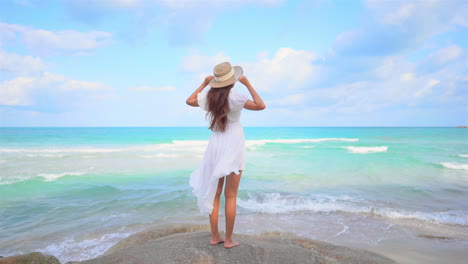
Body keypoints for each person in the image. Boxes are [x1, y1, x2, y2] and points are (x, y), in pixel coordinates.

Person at [186, 62, 266, 248]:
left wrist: (204, 83)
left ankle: (215, 237)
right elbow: (260, 105)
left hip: (216, 143)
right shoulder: (237, 96)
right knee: (231, 196)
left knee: (214, 193)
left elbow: (189, 100)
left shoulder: (209, 96)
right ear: (232, 80)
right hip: (234, 143)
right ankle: (228, 240)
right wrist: (247, 83)